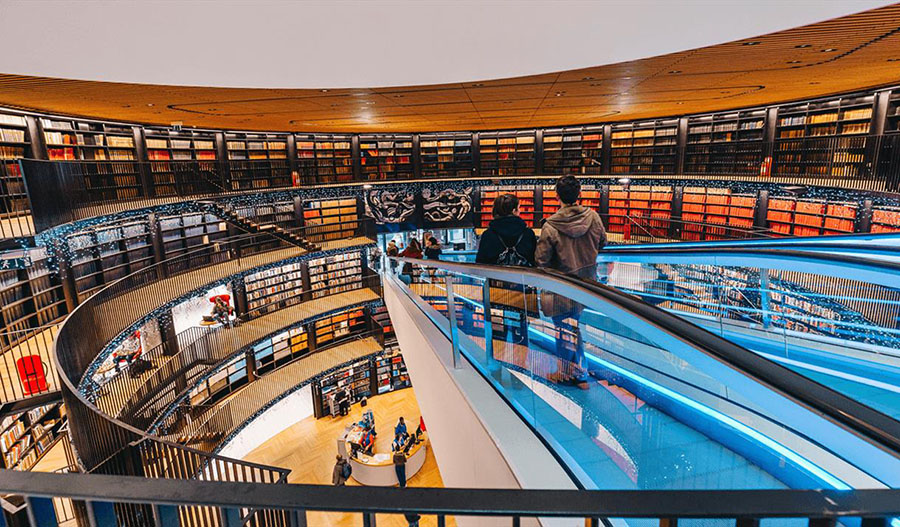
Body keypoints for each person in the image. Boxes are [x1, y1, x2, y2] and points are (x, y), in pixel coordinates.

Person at [536, 175, 607, 389]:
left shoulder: (550, 226)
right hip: (585, 286)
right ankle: (578, 373)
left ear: (556, 196)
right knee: (572, 328)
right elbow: (602, 241)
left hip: (561, 288)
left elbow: (541, 261)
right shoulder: (593, 217)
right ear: (580, 195)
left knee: (564, 330)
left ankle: (571, 374)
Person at [475, 193, 537, 266]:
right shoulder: (528, 234)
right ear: (514, 211)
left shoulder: (488, 235)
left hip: (496, 276)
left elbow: (481, 263)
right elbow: (535, 259)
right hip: (523, 276)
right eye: (519, 208)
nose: (520, 211)